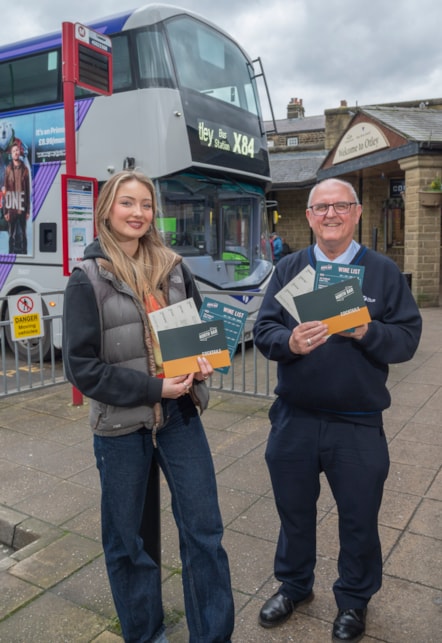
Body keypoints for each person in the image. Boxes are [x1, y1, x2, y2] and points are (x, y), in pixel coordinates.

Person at [62, 170, 234, 643]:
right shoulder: (88, 279)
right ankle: (146, 634)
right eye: (127, 203)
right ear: (107, 211)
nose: (138, 213)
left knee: (205, 533)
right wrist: (156, 388)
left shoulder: (175, 268)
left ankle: (213, 636)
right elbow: (82, 370)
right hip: (121, 429)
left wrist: (204, 363)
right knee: (127, 543)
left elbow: (198, 331)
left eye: (146, 204)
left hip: (180, 420)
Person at [253, 178, 422, 642]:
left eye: (341, 206)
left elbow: (408, 339)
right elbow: (265, 327)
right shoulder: (290, 267)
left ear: (356, 214)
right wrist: (287, 341)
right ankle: (293, 585)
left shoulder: (383, 272)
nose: (331, 214)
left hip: (358, 422)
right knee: (294, 512)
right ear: (308, 216)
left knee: (359, 517)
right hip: (295, 418)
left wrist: (367, 332)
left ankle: (354, 600)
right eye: (321, 207)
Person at [3, 142, 30, 254]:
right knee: (11, 235)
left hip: (22, 206)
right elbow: (6, 192)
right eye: (14, 151)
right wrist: (5, 211)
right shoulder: (8, 169)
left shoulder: (25, 169)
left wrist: (28, 210)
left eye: (17, 150)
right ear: (11, 153)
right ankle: (11, 255)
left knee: (24, 234)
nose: (16, 153)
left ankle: (24, 253)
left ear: (20, 152)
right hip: (12, 207)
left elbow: (27, 191)